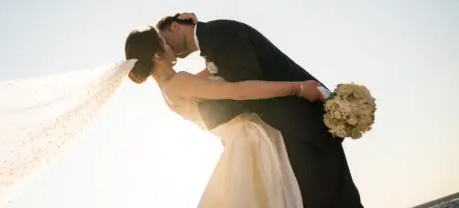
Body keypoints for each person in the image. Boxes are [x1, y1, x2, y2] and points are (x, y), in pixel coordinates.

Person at [155, 13, 364, 207]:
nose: (167, 48)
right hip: (288, 130)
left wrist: (299, 88)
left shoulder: (220, 35)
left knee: (332, 198)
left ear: (175, 26)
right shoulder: (213, 43)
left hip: (299, 125)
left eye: (164, 40)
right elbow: (226, 83)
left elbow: (245, 86)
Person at [124, 25, 325, 207]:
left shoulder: (169, 90)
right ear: (157, 55)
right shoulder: (180, 82)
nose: (168, 45)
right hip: (253, 143)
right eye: (163, 43)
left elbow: (214, 71)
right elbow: (239, 92)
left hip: (237, 144)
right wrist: (297, 88)